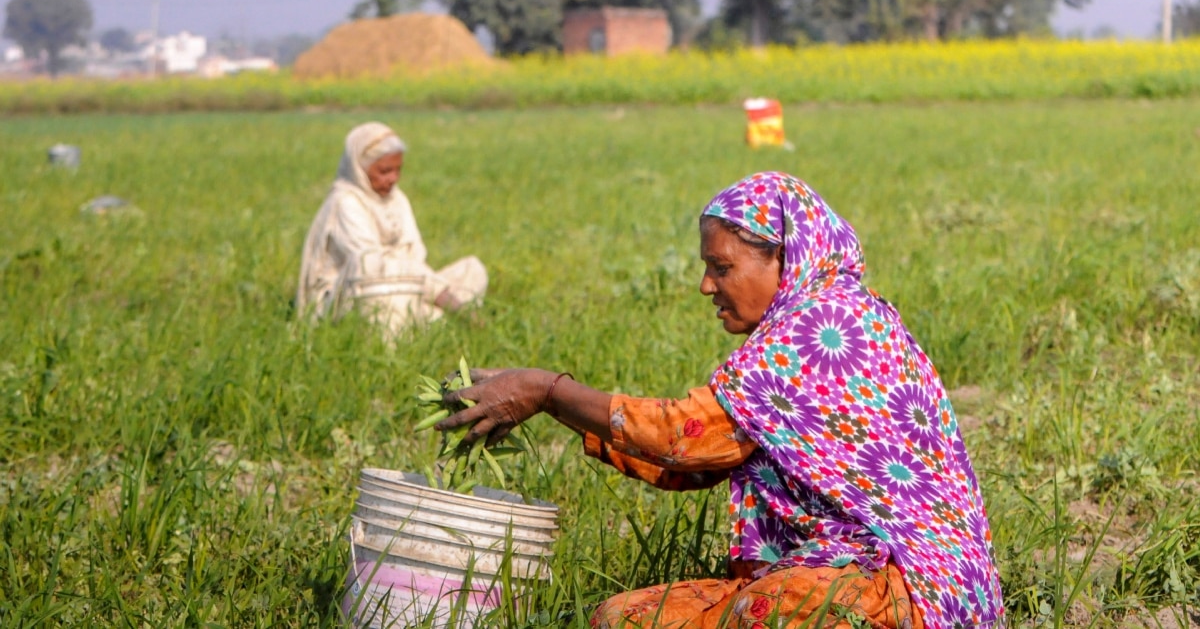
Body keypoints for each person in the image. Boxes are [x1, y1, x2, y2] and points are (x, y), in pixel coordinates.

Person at [435, 172, 1004, 628]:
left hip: (903, 585)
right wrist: (556, 404)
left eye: (722, 267)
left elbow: (682, 437)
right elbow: (698, 460)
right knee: (623, 617)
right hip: (821, 567)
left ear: (782, 259)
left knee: (765, 611)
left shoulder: (821, 324)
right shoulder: (814, 318)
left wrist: (546, 390)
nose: (707, 286)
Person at [296, 122, 487, 338]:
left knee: (472, 269)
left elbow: (415, 257)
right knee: (373, 265)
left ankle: (420, 322)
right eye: (384, 171)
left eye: (398, 170)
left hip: (406, 285)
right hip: (350, 297)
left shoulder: (397, 199)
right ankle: (423, 324)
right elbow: (369, 265)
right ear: (360, 168)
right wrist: (446, 298)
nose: (393, 178)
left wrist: (417, 280)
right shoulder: (345, 202)